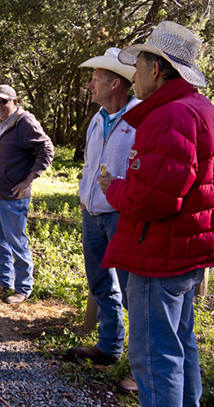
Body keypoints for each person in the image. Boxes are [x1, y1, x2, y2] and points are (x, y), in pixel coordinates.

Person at [99, 21, 214, 406]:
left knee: (153, 357)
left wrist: (113, 188)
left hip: (159, 254)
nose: (132, 76)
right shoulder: (199, 108)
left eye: (138, 65)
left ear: (155, 69)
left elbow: (154, 199)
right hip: (186, 249)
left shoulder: (169, 116)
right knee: (180, 344)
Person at [71, 48, 139, 393]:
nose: (89, 85)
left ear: (115, 83)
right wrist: (85, 197)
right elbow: (90, 164)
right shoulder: (98, 117)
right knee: (100, 283)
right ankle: (110, 347)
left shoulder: (141, 115)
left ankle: (141, 371)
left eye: (95, 79)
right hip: (93, 213)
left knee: (133, 293)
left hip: (122, 215)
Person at [0, 85, 54, 304]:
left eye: (3, 102)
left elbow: (47, 149)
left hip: (13, 195)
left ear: (15, 101)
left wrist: (29, 179)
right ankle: (4, 281)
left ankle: (23, 287)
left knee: (16, 241)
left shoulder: (24, 122)